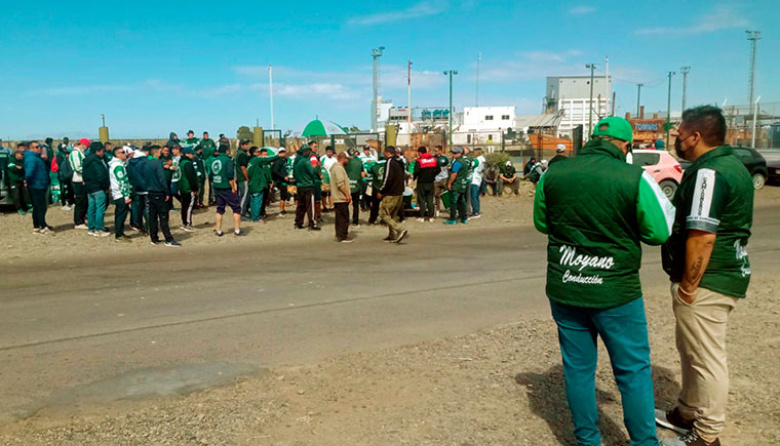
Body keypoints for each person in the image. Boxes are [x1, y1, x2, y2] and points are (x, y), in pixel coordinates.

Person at [533, 116, 675, 446]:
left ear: (593, 140)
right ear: (625, 146)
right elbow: (659, 232)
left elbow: (542, 223)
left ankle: (587, 440)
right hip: (616, 292)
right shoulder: (635, 178)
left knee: (578, 369)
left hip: (566, 286)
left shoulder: (553, 174)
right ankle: (644, 442)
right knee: (633, 371)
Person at [657, 106, 754, 446]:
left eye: (680, 135)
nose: (677, 140)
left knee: (707, 357)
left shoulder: (709, 173)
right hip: (720, 276)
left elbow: (703, 235)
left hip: (708, 281)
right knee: (692, 349)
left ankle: (707, 434)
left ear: (695, 137)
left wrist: (689, 286)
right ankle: (687, 411)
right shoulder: (731, 166)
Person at [146, 146, 180, 246]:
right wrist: (166, 192)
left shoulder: (146, 163)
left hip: (150, 192)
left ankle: (154, 238)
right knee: (163, 217)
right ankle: (168, 239)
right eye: (160, 152)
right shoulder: (158, 163)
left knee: (152, 217)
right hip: (159, 192)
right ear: (156, 153)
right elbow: (162, 178)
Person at [211, 144, 245, 237]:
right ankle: (237, 230)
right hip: (226, 186)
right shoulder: (227, 160)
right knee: (236, 208)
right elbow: (230, 175)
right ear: (227, 151)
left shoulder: (214, 160)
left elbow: (211, 174)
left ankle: (218, 230)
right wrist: (233, 187)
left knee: (220, 208)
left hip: (217, 186)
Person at [378, 146, 408, 243]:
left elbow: (387, 178)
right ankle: (391, 235)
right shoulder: (400, 162)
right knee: (392, 215)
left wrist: (381, 191)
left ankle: (399, 229)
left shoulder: (390, 162)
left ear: (387, 153)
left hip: (391, 193)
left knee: (383, 213)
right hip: (399, 192)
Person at [24, 141, 53, 234]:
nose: (39, 148)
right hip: (36, 185)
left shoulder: (37, 158)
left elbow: (49, 167)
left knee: (38, 207)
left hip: (40, 183)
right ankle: (42, 226)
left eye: (39, 147)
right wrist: (26, 181)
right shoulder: (32, 158)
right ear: (31, 149)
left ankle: (37, 225)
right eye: (37, 147)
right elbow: (29, 171)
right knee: (40, 206)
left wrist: (46, 159)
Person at [82, 142, 110, 237]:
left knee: (91, 208)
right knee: (100, 209)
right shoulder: (97, 161)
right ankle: (99, 229)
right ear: (97, 151)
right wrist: (106, 186)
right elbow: (101, 175)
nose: (103, 153)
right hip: (98, 187)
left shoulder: (86, 161)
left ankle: (91, 228)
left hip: (89, 187)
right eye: (102, 151)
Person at [246, 147, 279, 222]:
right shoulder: (257, 160)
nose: (260, 153)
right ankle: (256, 217)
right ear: (254, 153)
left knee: (253, 201)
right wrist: (278, 156)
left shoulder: (250, 162)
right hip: (258, 184)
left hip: (252, 184)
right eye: (258, 152)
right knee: (257, 201)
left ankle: (253, 216)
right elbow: (267, 160)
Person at [293, 143, 320, 230]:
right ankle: (312, 223)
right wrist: (316, 166)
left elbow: (294, 174)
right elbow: (312, 172)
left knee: (301, 205)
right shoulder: (306, 161)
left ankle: (298, 222)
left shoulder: (296, 162)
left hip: (300, 185)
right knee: (310, 206)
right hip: (308, 185)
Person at [108, 147, 132, 242]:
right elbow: (121, 181)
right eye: (122, 152)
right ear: (117, 154)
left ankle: (120, 233)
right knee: (121, 215)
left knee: (121, 214)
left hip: (118, 193)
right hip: (120, 194)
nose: (125, 154)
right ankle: (119, 235)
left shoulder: (118, 165)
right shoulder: (118, 166)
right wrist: (126, 196)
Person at [329, 152, 352, 243]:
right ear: (343, 158)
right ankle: (342, 235)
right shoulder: (338, 169)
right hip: (340, 197)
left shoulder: (336, 168)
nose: (348, 160)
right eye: (347, 158)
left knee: (339, 217)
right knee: (344, 217)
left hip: (337, 197)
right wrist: (347, 195)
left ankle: (339, 234)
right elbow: (340, 184)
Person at [413, 146, 440, 223]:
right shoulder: (434, 160)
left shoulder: (419, 161)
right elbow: (438, 169)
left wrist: (415, 178)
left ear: (420, 153)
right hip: (430, 182)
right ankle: (431, 217)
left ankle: (422, 217)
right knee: (430, 199)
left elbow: (416, 171)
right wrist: (433, 175)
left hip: (421, 183)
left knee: (421, 200)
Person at [127, 145, 149, 232]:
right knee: (146, 208)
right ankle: (149, 224)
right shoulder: (145, 163)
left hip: (135, 187)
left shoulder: (130, 164)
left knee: (136, 207)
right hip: (146, 187)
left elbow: (129, 175)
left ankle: (137, 224)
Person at [444, 146, 469, 225]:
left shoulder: (457, 163)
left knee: (453, 202)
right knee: (462, 201)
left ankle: (452, 219)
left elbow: (454, 174)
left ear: (460, 153)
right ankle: (464, 218)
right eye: (453, 153)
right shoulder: (464, 162)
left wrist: (449, 183)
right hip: (463, 184)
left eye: (455, 153)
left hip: (456, 184)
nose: (453, 155)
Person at [69, 138, 90, 229]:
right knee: (80, 201)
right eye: (86, 146)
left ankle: (82, 218)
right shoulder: (75, 153)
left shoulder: (81, 153)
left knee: (84, 201)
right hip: (78, 180)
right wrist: (88, 171)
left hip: (83, 179)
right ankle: (78, 221)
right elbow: (77, 167)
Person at [178, 147, 199, 231]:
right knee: (189, 206)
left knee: (184, 206)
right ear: (187, 154)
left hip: (182, 187)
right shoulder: (188, 164)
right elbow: (191, 177)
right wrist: (194, 188)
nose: (193, 155)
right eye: (191, 153)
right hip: (188, 188)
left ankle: (184, 222)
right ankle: (187, 223)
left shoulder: (181, 163)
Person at [344, 148, 364, 226]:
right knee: (356, 205)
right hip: (356, 185)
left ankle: (346, 220)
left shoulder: (345, 163)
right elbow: (362, 175)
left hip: (347, 186)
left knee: (345, 204)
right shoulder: (359, 162)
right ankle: (355, 221)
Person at [197, 131, 217, 206]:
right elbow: (199, 150)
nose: (206, 136)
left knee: (211, 181)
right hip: (204, 161)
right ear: (203, 135)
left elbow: (215, 150)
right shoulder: (201, 142)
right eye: (205, 135)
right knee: (202, 180)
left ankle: (211, 199)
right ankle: (200, 200)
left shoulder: (211, 141)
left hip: (210, 161)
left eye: (207, 135)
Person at [8, 149, 28, 215]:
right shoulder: (11, 160)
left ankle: (27, 207)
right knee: (16, 195)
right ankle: (19, 209)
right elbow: (12, 168)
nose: (22, 156)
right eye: (21, 154)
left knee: (25, 194)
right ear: (17, 154)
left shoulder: (23, 161)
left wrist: (20, 168)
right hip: (13, 181)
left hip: (22, 180)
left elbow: (24, 168)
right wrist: (18, 168)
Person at [367, 154, 386, 225]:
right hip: (385, 188)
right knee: (385, 206)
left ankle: (372, 219)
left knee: (375, 205)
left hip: (376, 188)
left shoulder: (374, 166)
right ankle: (384, 220)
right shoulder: (387, 165)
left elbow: (369, 171)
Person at [56, 138, 74, 210]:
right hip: (62, 175)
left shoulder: (67, 155)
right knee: (63, 189)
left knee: (70, 188)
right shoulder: (59, 156)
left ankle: (71, 202)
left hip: (68, 174)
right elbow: (60, 165)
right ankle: (64, 203)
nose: (65, 149)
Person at [271, 148, 290, 216]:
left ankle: (283, 209)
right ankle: (281, 210)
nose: (284, 153)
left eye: (284, 152)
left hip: (284, 180)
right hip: (280, 181)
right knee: (283, 195)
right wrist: (283, 176)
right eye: (282, 152)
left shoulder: (283, 160)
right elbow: (275, 171)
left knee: (285, 195)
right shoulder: (278, 161)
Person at [235, 139, 251, 217]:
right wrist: (247, 178)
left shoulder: (239, 153)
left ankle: (243, 211)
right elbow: (243, 168)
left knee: (241, 195)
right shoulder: (242, 154)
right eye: (246, 144)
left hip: (240, 178)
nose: (248, 146)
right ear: (241, 145)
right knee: (244, 196)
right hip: (243, 178)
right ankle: (241, 213)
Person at [433, 145, 449, 216]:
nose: (435, 152)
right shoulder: (433, 158)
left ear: (440, 151)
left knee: (446, 193)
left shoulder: (445, 158)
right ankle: (437, 209)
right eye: (434, 151)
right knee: (436, 194)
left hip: (444, 178)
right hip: (436, 179)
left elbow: (448, 166)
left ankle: (449, 207)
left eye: (436, 151)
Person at [469, 148, 485, 218]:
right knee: (475, 196)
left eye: (474, 152)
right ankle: (476, 210)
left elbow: (470, 167)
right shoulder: (482, 159)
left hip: (474, 179)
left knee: (473, 196)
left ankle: (475, 212)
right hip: (478, 179)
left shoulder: (477, 160)